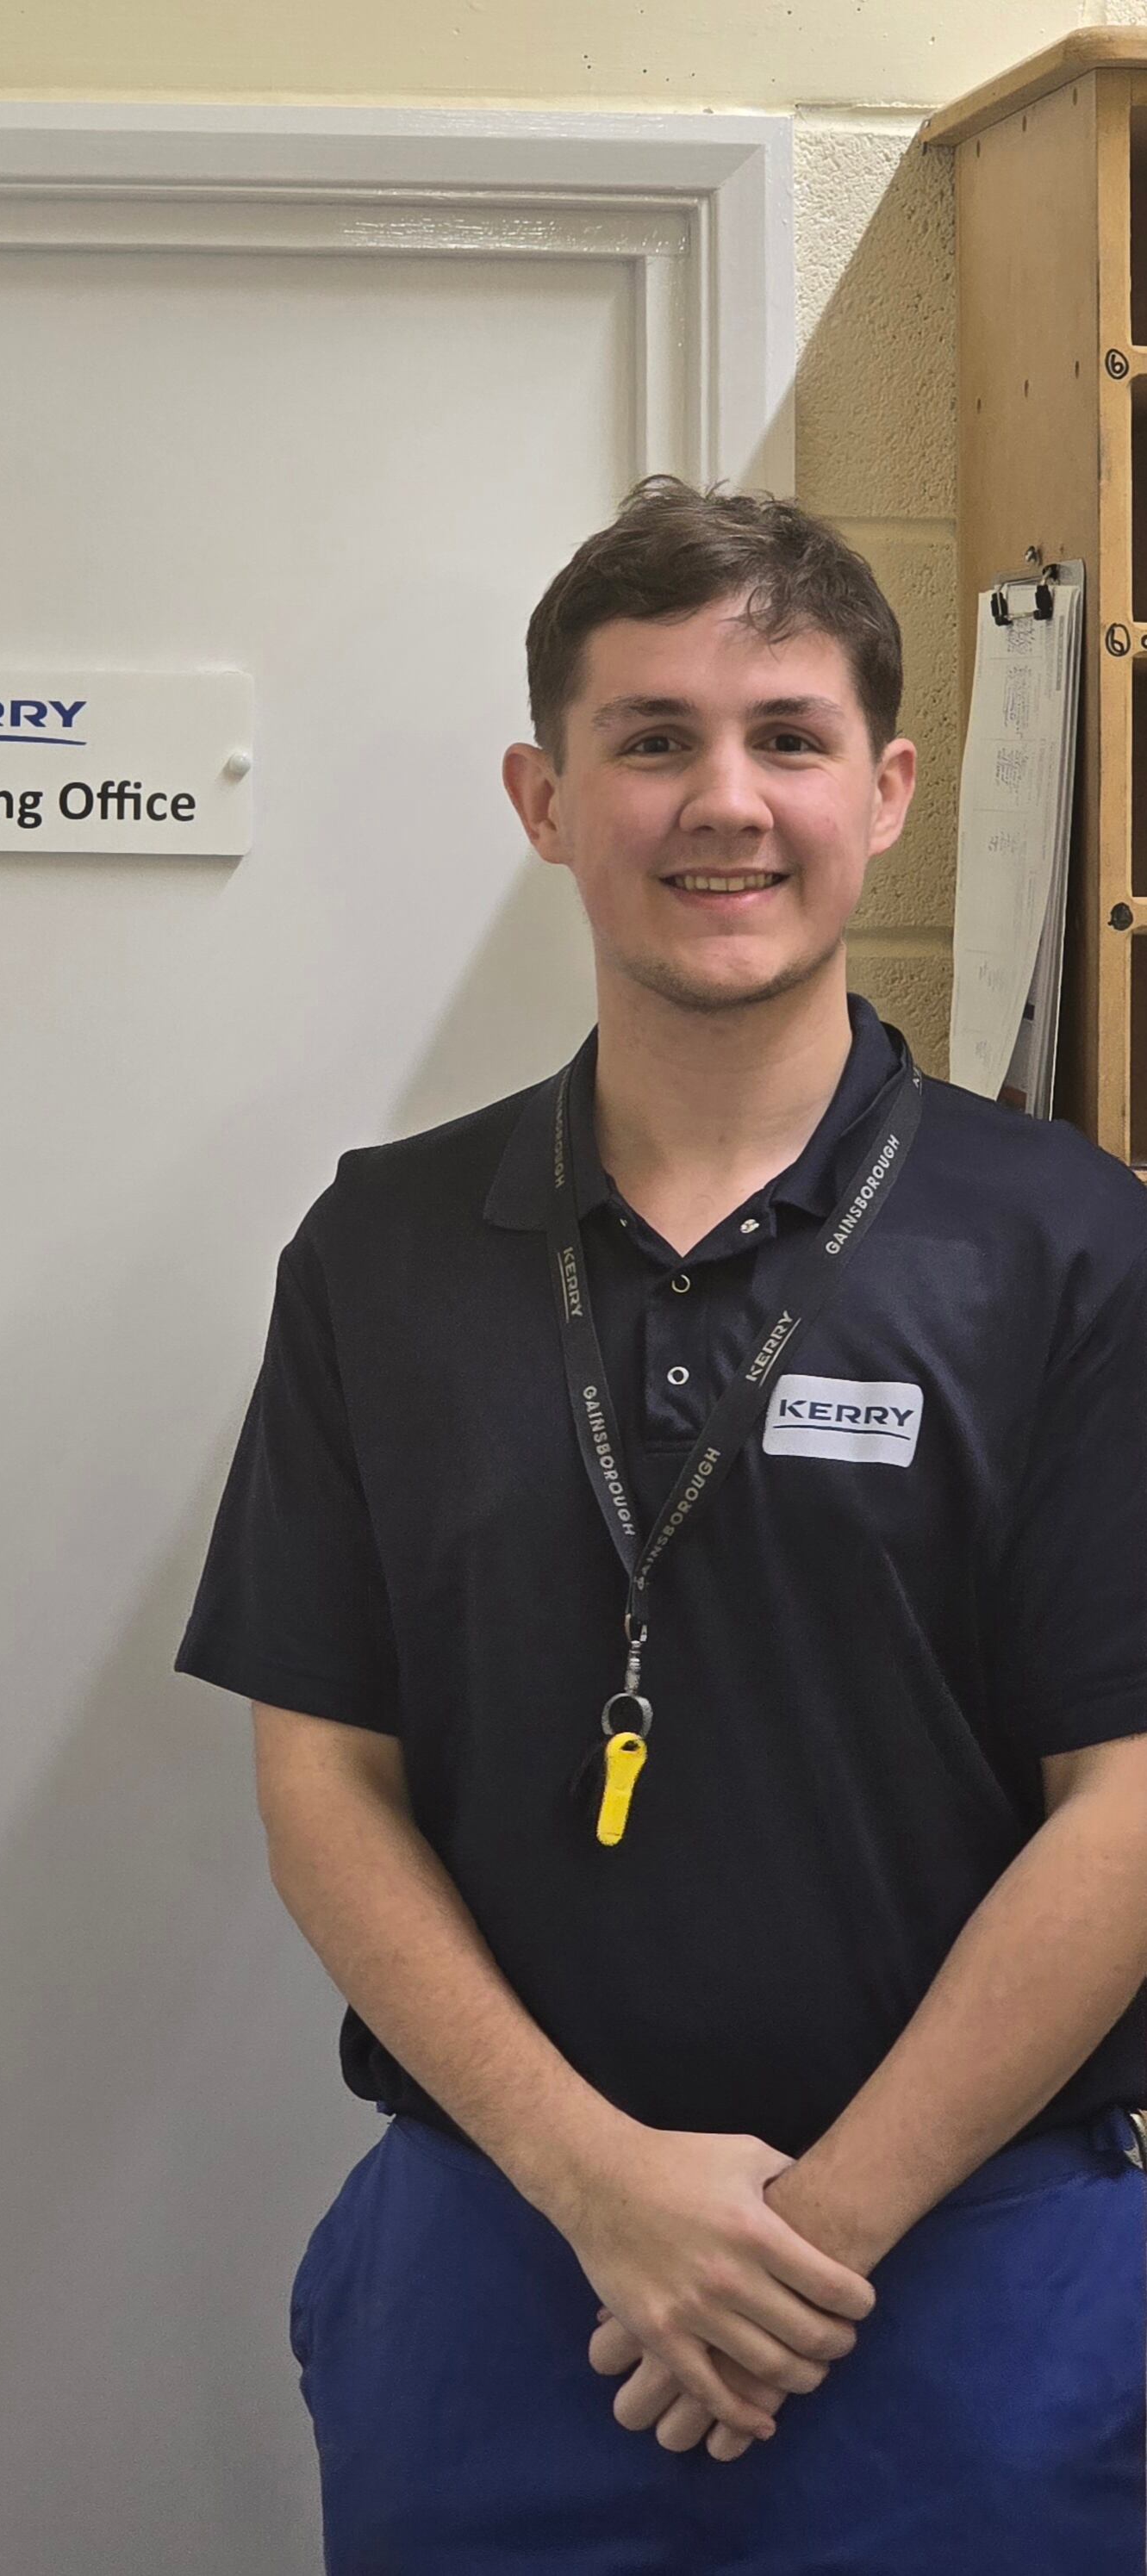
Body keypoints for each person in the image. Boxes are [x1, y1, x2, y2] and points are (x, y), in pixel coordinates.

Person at [173, 476, 1147, 2573]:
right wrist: (601, 2183)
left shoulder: (1071, 1245)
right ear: (544, 794)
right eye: (653, 739)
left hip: (964, 2281)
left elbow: (1134, 1802)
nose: (728, 800)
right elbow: (321, 1778)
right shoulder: (386, 1246)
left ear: (886, 790)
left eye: (787, 738)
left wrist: (809, 2236)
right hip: (508, 2264)